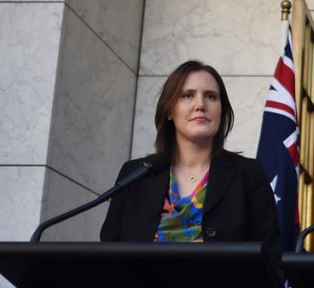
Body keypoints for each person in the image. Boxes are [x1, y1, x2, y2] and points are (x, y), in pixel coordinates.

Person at [101, 60, 281, 255]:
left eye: (211, 96)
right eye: (188, 95)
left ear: (222, 111)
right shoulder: (136, 174)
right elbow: (109, 255)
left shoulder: (249, 174)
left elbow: (269, 258)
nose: (200, 105)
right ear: (169, 110)